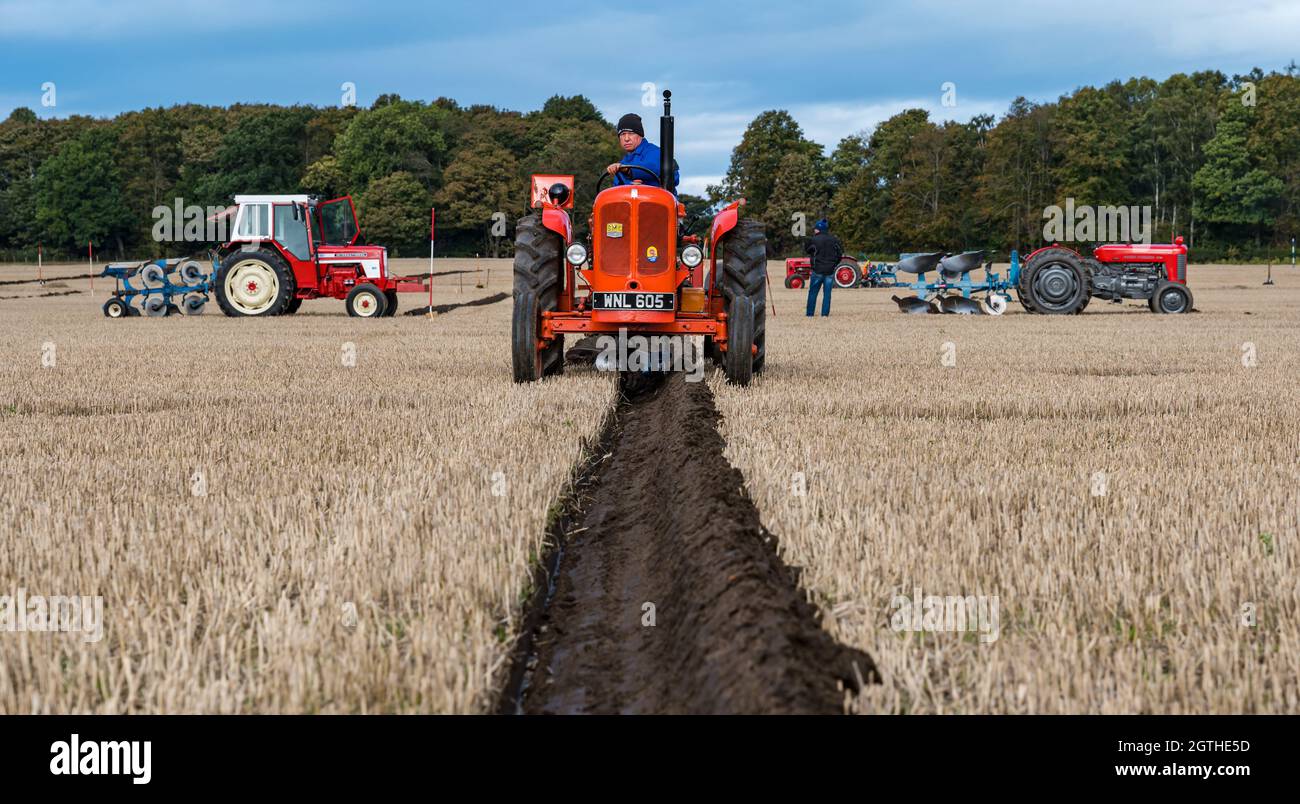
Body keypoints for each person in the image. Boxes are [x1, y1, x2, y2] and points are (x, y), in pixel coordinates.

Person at [605, 113, 680, 191]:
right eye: (623, 134)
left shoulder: (656, 153)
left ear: (640, 135)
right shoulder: (623, 163)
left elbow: (654, 167)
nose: (626, 138)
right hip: (631, 202)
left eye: (631, 133)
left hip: (657, 201)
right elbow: (617, 190)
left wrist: (628, 170)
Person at [804, 218, 842, 317]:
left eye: (815, 229)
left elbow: (807, 250)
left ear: (818, 229)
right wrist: (833, 265)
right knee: (827, 294)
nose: (814, 230)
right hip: (829, 271)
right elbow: (839, 255)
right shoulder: (834, 240)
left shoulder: (813, 240)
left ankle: (810, 314)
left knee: (813, 293)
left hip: (817, 270)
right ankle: (824, 314)